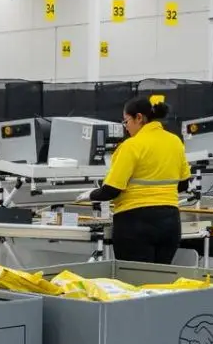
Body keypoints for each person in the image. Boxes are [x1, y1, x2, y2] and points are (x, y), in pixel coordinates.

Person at [82, 97, 191, 264]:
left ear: (139, 117)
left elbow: (111, 190)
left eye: (126, 121)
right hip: (170, 222)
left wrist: (90, 194)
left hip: (135, 223)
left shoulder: (131, 146)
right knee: (161, 282)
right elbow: (183, 184)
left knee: (134, 281)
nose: (126, 128)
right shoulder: (175, 141)